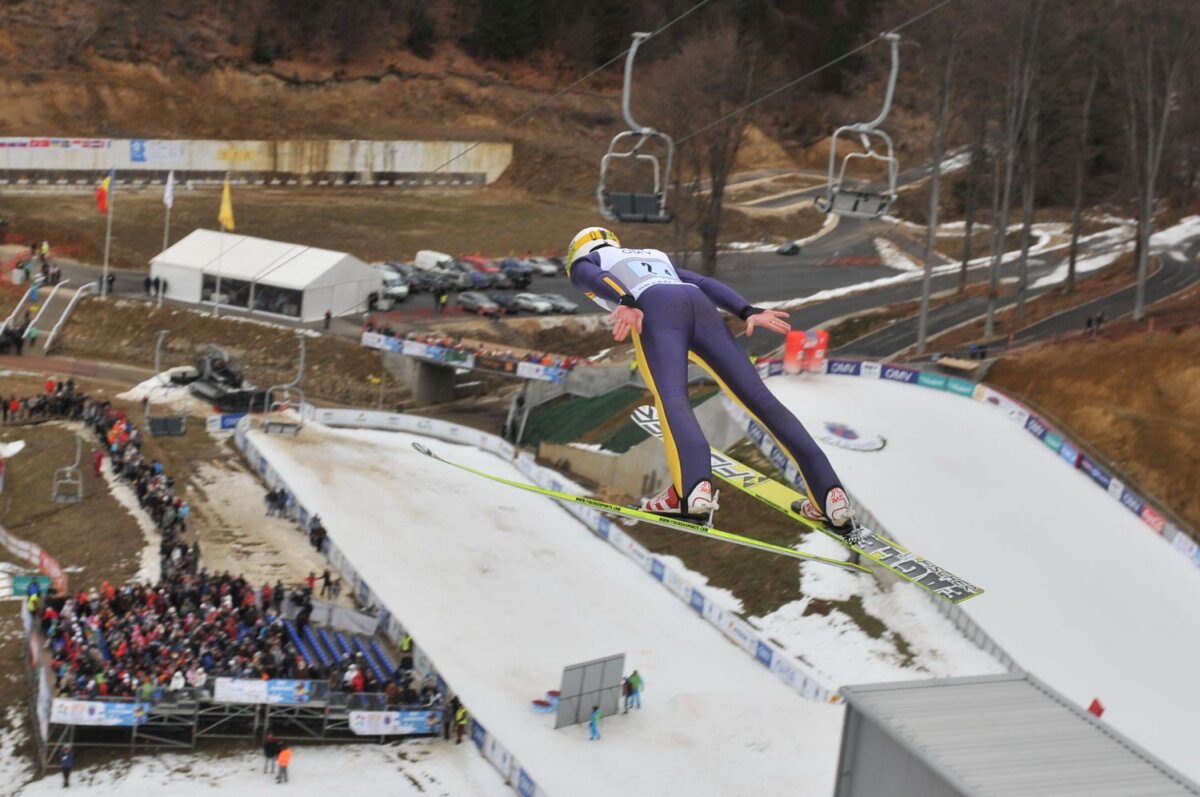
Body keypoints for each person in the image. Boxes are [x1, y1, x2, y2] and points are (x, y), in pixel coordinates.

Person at [565, 227, 855, 530]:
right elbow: (704, 282)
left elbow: (592, 278)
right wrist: (746, 309)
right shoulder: (653, 255)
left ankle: (691, 492)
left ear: (577, 251)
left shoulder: (588, 261)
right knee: (761, 399)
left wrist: (625, 300)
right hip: (698, 304)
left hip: (655, 308)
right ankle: (830, 496)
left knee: (673, 397)